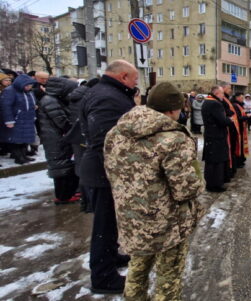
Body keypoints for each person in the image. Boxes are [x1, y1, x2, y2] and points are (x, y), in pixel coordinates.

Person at [104, 82, 205, 301]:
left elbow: (111, 170)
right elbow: (184, 189)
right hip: (167, 222)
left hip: (132, 216)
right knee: (169, 276)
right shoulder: (173, 138)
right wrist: (199, 183)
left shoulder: (117, 132)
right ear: (171, 110)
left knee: (137, 268)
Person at [80, 60, 138, 294]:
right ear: (123, 77)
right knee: (103, 225)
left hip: (105, 171)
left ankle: (111, 256)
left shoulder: (105, 92)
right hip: (105, 172)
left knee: (111, 222)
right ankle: (103, 278)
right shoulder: (108, 97)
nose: (136, 84)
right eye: (134, 79)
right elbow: (108, 141)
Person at [38, 77, 80, 204]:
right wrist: (73, 129)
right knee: (60, 166)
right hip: (55, 139)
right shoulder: (50, 101)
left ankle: (67, 193)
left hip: (57, 138)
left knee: (64, 165)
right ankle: (63, 196)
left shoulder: (54, 100)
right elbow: (61, 121)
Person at [67, 77, 99, 212]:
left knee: (82, 165)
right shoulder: (88, 98)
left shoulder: (78, 96)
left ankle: (84, 197)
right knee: (86, 167)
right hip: (84, 135)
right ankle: (86, 198)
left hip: (79, 135)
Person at [202, 86, 233, 192]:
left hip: (210, 135)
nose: (223, 96)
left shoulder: (207, 101)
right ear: (216, 93)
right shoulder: (215, 104)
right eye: (222, 94)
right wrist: (230, 120)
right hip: (217, 136)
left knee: (211, 161)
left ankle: (210, 183)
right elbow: (223, 121)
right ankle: (215, 185)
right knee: (217, 161)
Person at [1, 74, 37, 165]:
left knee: (24, 139)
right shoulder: (10, 91)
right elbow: (5, 107)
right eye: (28, 85)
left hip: (27, 119)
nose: (29, 87)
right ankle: (18, 157)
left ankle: (23, 155)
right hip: (16, 119)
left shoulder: (28, 92)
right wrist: (9, 120)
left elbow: (31, 103)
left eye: (31, 85)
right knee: (16, 140)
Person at [221, 84, 240, 178]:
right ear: (223, 88)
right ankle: (229, 169)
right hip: (228, 128)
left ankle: (232, 168)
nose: (231, 90)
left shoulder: (227, 98)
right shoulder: (223, 99)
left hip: (232, 127)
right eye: (229, 88)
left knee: (232, 149)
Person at [232, 93, 251, 167]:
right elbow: (237, 118)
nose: (242, 99)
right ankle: (238, 161)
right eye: (241, 97)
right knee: (238, 145)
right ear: (237, 97)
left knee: (242, 144)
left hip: (242, 128)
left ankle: (242, 159)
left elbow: (242, 114)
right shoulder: (235, 105)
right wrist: (246, 117)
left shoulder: (240, 105)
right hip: (238, 128)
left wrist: (246, 114)